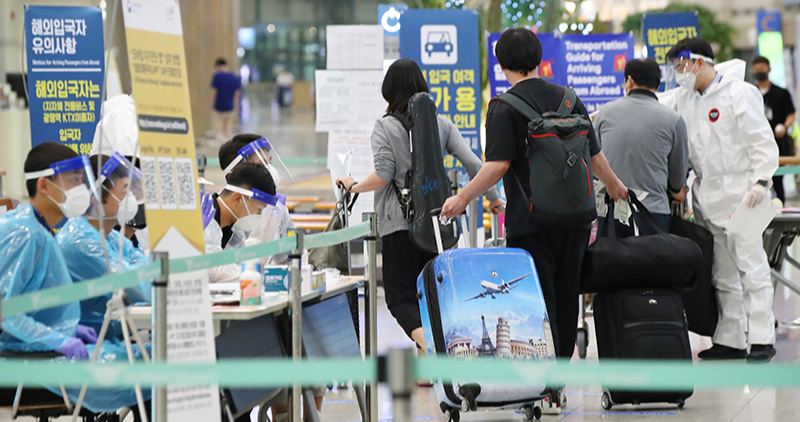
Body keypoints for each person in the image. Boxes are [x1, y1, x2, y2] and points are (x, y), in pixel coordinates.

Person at [441, 29, 627, 372]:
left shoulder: (503, 107)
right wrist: (615, 187)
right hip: (576, 219)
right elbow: (595, 158)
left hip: (531, 222)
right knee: (568, 294)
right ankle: (558, 382)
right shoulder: (569, 99)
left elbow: (498, 166)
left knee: (538, 300)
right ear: (539, 58)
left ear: (501, 64)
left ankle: (545, 386)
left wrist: (463, 197)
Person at [336, 58, 505, 354]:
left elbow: (384, 173)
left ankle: (436, 348)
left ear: (389, 90)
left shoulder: (384, 126)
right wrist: (493, 197)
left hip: (398, 226)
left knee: (400, 298)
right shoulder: (442, 124)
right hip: (438, 224)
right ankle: (429, 366)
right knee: (432, 295)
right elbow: (475, 164)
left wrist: (353, 186)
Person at [661, 38, 779, 361]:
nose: (679, 73)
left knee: (751, 267)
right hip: (706, 194)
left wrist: (761, 181)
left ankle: (762, 338)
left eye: (682, 66)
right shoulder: (684, 98)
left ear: (700, 62)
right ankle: (730, 339)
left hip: (743, 194)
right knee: (721, 272)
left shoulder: (739, 94)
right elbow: (652, 103)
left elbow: (762, 142)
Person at [0, 143, 97, 360]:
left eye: (81, 181)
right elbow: (6, 312)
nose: (81, 190)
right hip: (21, 363)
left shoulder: (41, 229)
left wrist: (66, 328)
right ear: (43, 185)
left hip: (34, 353)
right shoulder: (25, 234)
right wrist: (58, 339)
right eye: (73, 181)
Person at [56, 153, 150, 339]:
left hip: (117, 336)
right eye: (124, 192)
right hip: (90, 347)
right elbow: (140, 288)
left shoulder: (110, 236)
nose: (131, 199)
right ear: (96, 199)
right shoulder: (80, 242)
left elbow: (146, 267)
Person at [594, 58, 690, 236]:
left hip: (611, 213)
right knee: (653, 263)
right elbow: (677, 179)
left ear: (629, 81)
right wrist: (677, 190)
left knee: (613, 263)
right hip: (654, 214)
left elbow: (594, 161)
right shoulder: (673, 119)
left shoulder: (605, 113)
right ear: (657, 82)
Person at [752, 55, 796, 203]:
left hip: (778, 142)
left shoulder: (781, 93)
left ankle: (781, 208)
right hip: (756, 144)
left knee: (778, 180)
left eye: (762, 69)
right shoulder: (750, 93)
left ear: (769, 69)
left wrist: (784, 127)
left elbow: (791, 114)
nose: (759, 72)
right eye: (756, 69)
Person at [212, 58, 242, 142]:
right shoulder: (234, 77)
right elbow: (237, 94)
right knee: (228, 130)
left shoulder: (217, 76)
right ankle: (227, 144)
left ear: (218, 66)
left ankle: (221, 145)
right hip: (230, 107)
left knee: (218, 131)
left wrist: (212, 103)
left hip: (219, 106)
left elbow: (215, 92)